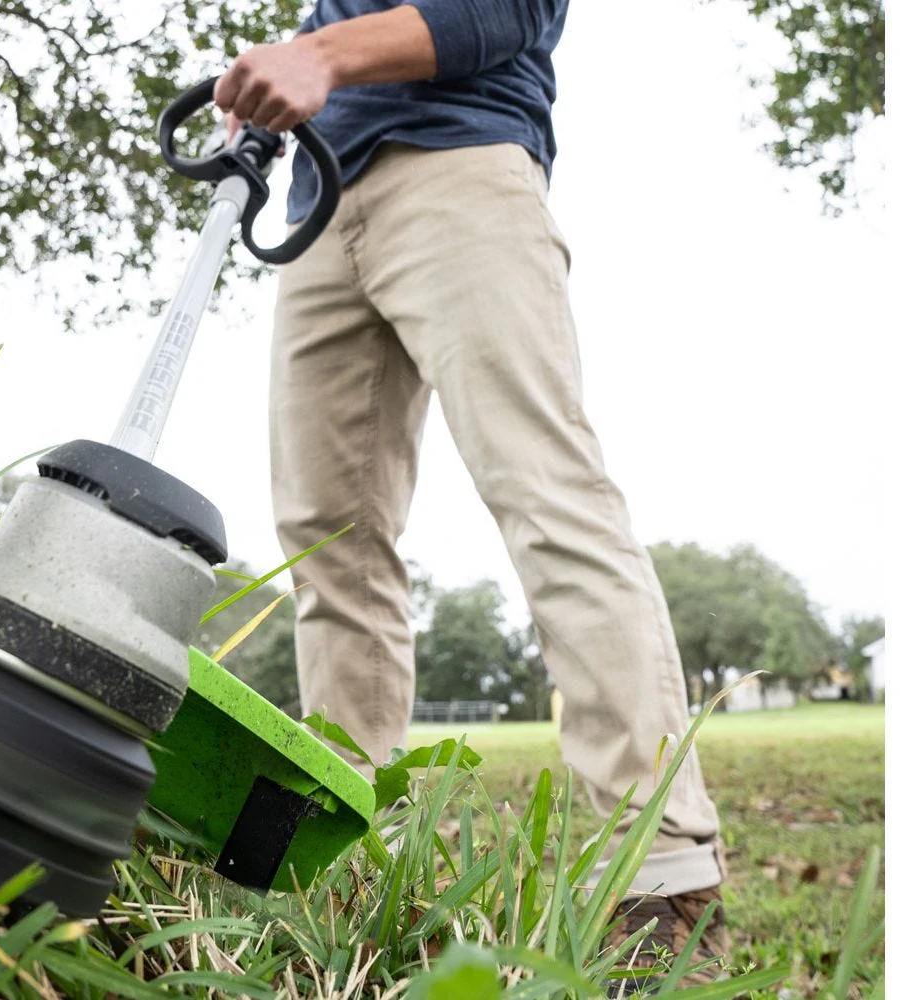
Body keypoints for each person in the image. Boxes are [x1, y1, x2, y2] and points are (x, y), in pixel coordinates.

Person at [214, 0, 729, 988]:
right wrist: (275, 88)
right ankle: (347, 866)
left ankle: (660, 876)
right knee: (325, 540)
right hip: (321, 198)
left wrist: (319, 55)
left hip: (458, 163)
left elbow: (508, 9)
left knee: (545, 493)